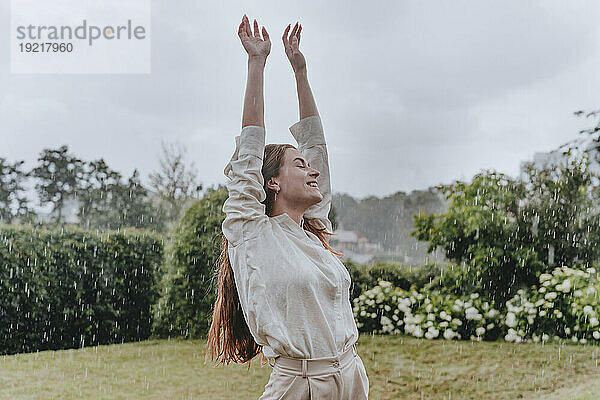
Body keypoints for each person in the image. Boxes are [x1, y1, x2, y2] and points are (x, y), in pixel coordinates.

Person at [205, 14, 369, 399]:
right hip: (301, 385)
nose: (313, 172)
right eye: (299, 166)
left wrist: (301, 73)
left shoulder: (312, 230)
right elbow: (249, 155)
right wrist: (256, 65)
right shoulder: (252, 233)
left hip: (350, 376)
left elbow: (317, 150)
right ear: (272, 183)